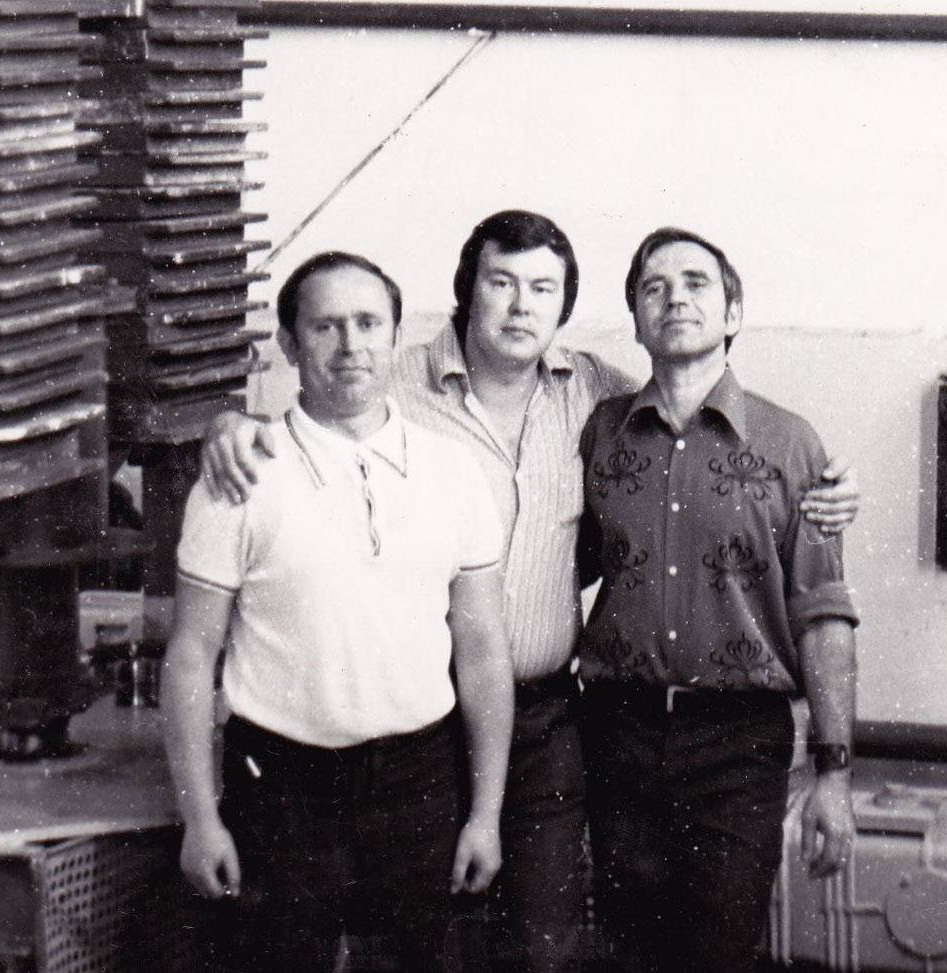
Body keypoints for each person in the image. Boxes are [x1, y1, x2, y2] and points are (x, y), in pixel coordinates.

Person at [200, 211, 860, 973]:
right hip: (429, 724)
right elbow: (309, 412)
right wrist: (231, 423)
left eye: (543, 288)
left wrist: (829, 487)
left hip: (556, 722)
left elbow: (805, 584)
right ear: (467, 291)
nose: (521, 306)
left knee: (550, 943)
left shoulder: (604, 400)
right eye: (502, 283)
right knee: (424, 942)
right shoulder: (402, 381)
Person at [163, 251, 514, 973]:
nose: (351, 345)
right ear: (289, 345)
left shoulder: (453, 472)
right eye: (325, 327)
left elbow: (482, 652)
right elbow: (191, 655)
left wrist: (485, 814)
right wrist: (200, 817)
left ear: (396, 337)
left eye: (368, 323)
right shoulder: (239, 476)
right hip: (281, 785)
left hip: (420, 780)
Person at [576, 227, 859, 973]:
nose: (675, 298)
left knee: (717, 952)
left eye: (696, 283)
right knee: (628, 954)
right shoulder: (601, 433)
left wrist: (834, 772)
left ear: (733, 313)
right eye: (655, 287)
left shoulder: (790, 444)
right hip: (618, 731)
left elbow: (823, 616)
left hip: (738, 742)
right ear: (637, 321)